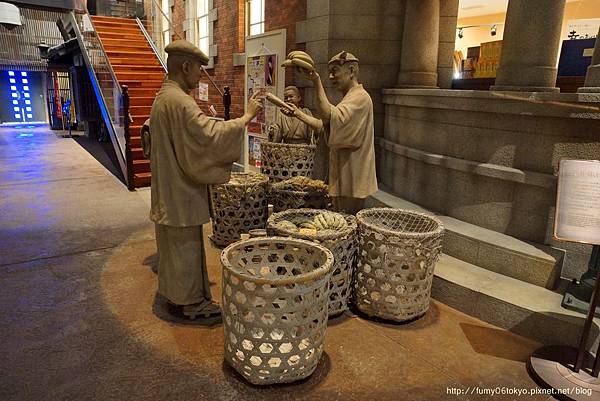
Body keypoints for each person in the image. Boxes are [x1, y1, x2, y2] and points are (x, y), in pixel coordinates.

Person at [149, 40, 263, 319]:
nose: (200, 75)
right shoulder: (180, 101)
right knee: (184, 250)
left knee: (175, 250)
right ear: (186, 66)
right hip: (179, 193)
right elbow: (209, 134)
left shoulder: (163, 97)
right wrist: (246, 117)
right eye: (199, 68)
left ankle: (179, 297)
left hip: (168, 190)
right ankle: (188, 303)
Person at [285, 50, 377, 214]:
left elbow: (329, 116)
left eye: (334, 71)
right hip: (344, 174)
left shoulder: (360, 98)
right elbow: (325, 126)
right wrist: (298, 114)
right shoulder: (350, 97)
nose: (331, 77)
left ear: (351, 71)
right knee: (340, 218)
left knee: (347, 220)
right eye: (329, 73)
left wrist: (316, 81)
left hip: (352, 177)